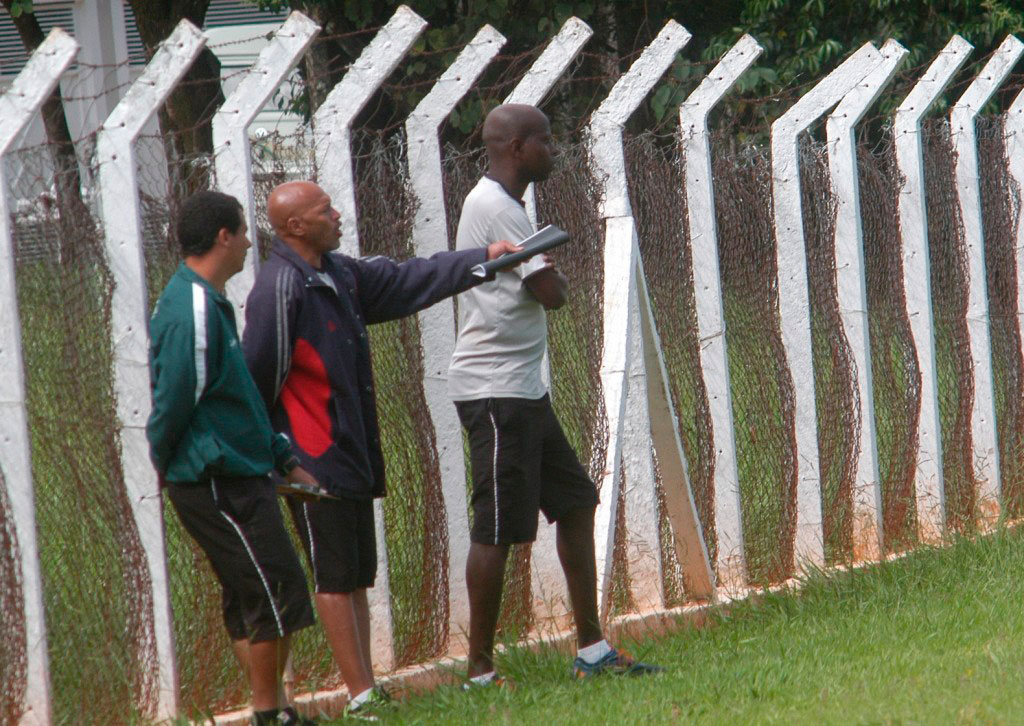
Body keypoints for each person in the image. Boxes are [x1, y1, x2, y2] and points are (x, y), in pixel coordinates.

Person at [242, 180, 523, 720]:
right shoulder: (280, 288)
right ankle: (362, 696)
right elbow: (257, 384)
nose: (338, 214)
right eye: (325, 210)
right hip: (311, 457)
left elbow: (406, 278)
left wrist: (482, 258)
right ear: (295, 226)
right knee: (332, 576)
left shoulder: (339, 273)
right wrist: (282, 459)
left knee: (354, 574)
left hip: (350, 451)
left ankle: (367, 689)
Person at [448, 104, 662, 685]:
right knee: (496, 527)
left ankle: (592, 651)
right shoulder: (495, 207)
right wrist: (553, 273)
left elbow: (543, 281)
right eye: (545, 139)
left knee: (574, 502)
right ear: (516, 147)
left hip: (522, 389)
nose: (554, 147)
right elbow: (551, 291)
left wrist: (549, 271)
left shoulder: (507, 206)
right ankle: (480, 673)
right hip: (495, 391)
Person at [146, 190, 320, 726]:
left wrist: (281, 456)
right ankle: (270, 714)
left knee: (260, 594)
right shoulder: (192, 310)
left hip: (239, 471)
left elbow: (237, 393)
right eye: (243, 232)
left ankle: (275, 708)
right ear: (223, 236)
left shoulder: (208, 301)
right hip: (215, 478)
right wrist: (169, 466)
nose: (249, 242)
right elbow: (174, 401)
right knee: (273, 592)